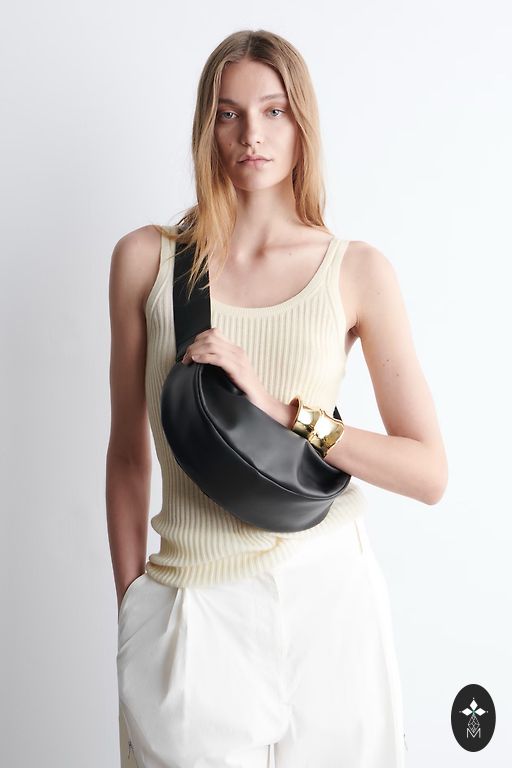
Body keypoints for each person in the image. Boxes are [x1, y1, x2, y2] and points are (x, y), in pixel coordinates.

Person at [106, 29, 448, 768]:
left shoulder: (355, 271)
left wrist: (286, 411)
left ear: (302, 124)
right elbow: (129, 455)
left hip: (328, 596)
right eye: (228, 114)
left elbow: (428, 472)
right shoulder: (148, 262)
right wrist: (132, 609)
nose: (250, 135)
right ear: (207, 127)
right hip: (192, 606)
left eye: (273, 111)